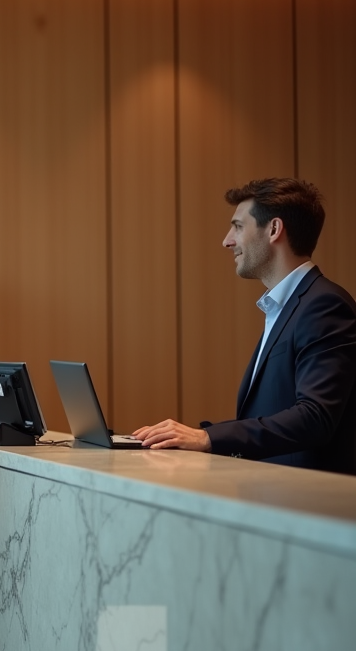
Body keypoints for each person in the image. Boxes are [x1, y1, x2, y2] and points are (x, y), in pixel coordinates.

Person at [133, 178, 356, 474]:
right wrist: (193, 435)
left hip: (307, 506)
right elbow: (271, 413)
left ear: (274, 230)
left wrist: (207, 438)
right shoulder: (289, 305)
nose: (227, 240)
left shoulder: (324, 305)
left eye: (238, 226)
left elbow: (315, 417)